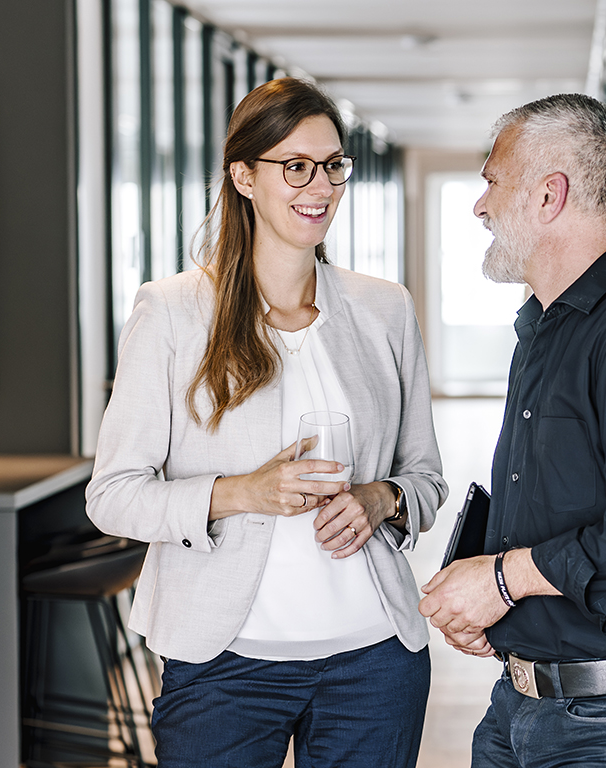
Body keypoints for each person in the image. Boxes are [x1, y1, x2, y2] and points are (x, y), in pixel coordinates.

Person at [86, 77, 448, 768]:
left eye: (334, 165)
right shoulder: (170, 313)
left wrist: (382, 499)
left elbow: (426, 477)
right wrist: (241, 492)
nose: (322, 187)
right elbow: (112, 496)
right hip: (223, 665)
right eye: (296, 167)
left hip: (374, 664)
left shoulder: (386, 310)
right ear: (244, 176)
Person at [418, 93, 606, 767]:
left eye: (493, 182)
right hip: (522, 704)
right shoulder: (544, 331)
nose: (480, 205)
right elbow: (559, 501)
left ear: (550, 195)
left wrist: (501, 579)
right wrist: (496, 603)